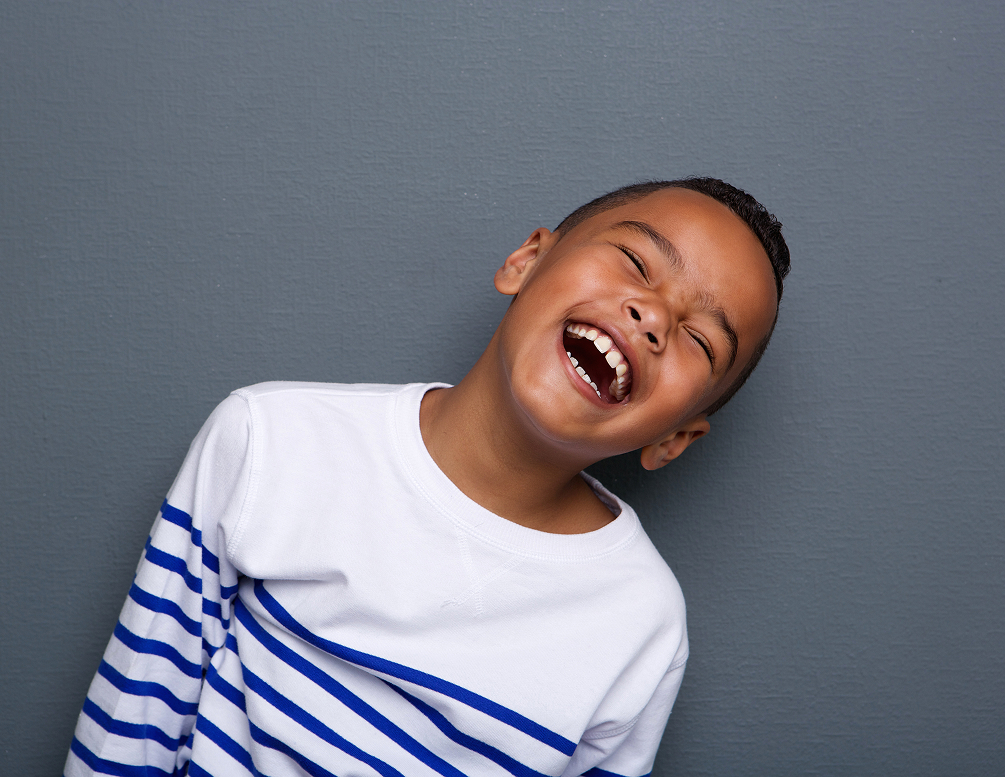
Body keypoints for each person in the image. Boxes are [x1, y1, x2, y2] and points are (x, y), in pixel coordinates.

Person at [65, 178, 789, 777]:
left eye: (698, 338)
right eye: (635, 262)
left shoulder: (642, 625)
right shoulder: (270, 439)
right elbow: (132, 721)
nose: (651, 315)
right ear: (526, 261)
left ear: (674, 438)